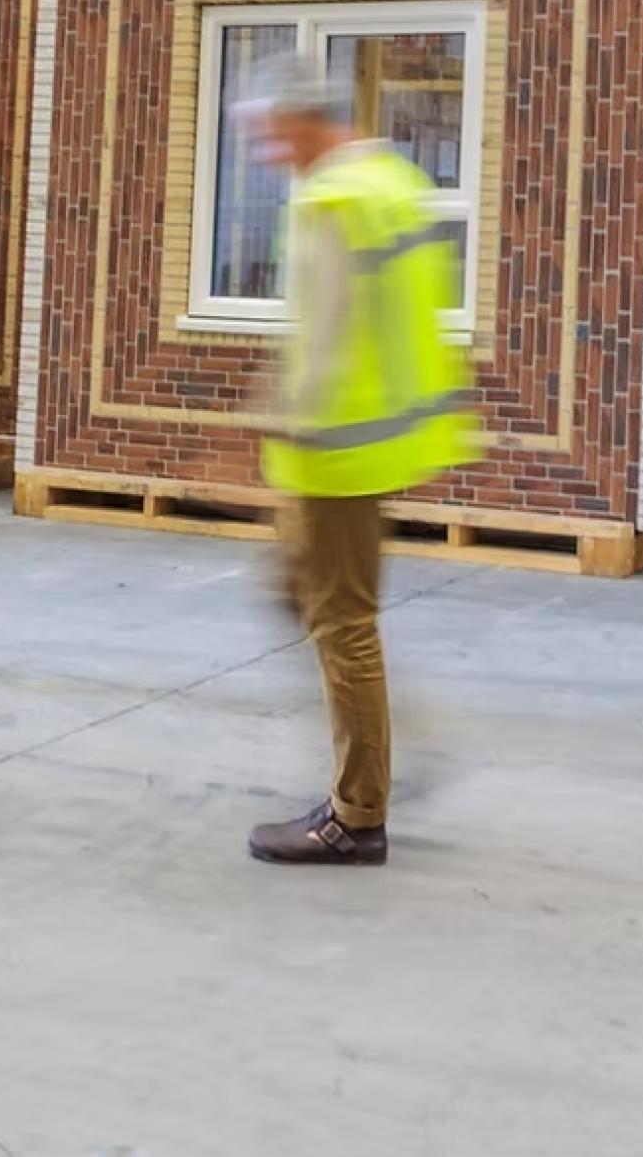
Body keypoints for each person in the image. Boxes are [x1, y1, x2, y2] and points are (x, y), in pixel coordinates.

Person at [242, 62, 479, 866]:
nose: (269, 153)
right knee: (295, 595)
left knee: (342, 624)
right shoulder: (391, 182)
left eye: (273, 135)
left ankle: (358, 811)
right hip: (376, 440)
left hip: (334, 450)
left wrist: (286, 426)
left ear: (304, 121)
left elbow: (325, 336)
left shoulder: (333, 202)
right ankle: (386, 748)